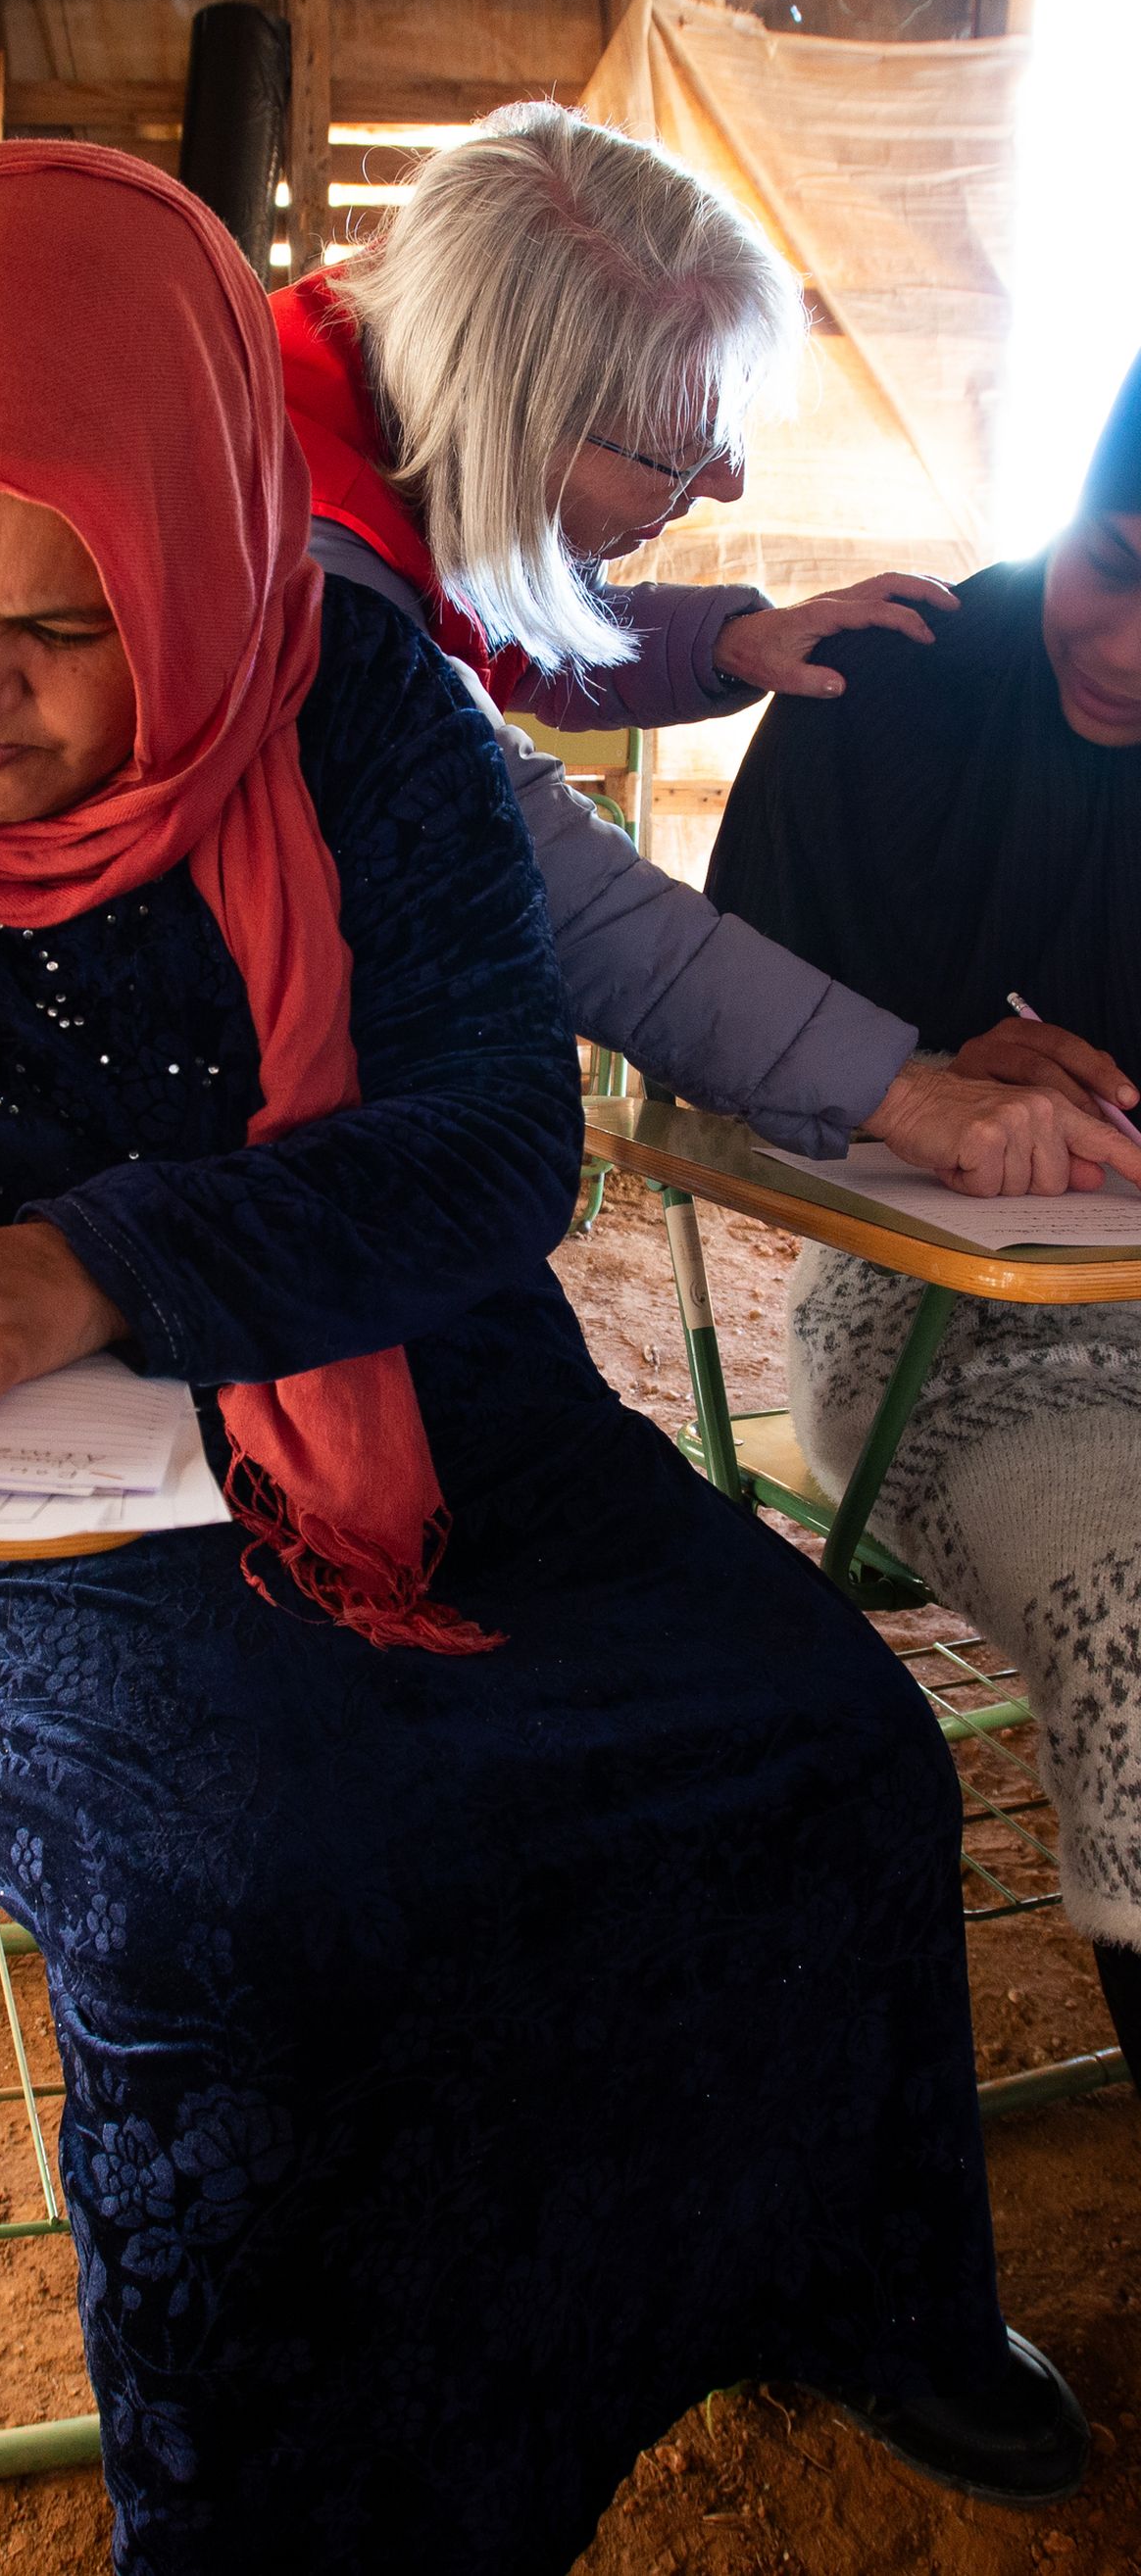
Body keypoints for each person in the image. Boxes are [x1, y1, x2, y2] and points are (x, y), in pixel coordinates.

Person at [0, 146, 1087, 2569]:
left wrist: (89, 1257)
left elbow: (496, 1150)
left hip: (413, 1383)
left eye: (66, 623)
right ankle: (274, 2515)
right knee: (258, 1895)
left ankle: (853, 2282)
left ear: (197, 536)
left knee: (821, 1738)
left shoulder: (351, 696)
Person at [272, 98, 1133, 1191]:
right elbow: (539, 870)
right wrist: (905, 1090)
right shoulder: (295, 563)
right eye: (675, 456)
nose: (721, 485)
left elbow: (498, 623)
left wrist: (725, 641)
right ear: (511, 422)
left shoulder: (373, 379)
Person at [708, 346, 1141, 2094]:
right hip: (952, 1336)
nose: (1121, 649)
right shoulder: (886, 688)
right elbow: (706, 1037)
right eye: (1115, 562)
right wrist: (927, 1060)